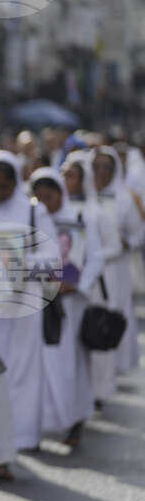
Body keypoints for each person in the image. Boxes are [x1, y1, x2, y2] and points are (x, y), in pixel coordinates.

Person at [0, 152, 57, 474]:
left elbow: (51, 257)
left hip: (25, 303)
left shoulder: (34, 210)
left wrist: (16, 261)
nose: (0, 192)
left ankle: (22, 436)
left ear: (16, 183)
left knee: (24, 370)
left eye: (6, 187)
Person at [31, 167, 105, 447]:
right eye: (39, 198)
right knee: (42, 362)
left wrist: (76, 286)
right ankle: (42, 422)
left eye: (49, 197)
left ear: (61, 193)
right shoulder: (34, 219)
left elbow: (95, 258)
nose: (45, 203)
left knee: (71, 362)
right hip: (41, 301)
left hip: (72, 304)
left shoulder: (80, 218)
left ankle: (75, 420)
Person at [63, 152, 123, 406]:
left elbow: (114, 246)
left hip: (89, 287)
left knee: (90, 339)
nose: (66, 180)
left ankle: (95, 391)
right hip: (64, 286)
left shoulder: (95, 212)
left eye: (71, 176)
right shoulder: (55, 209)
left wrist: (89, 258)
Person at [91, 146, 143, 375]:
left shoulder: (124, 199)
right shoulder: (86, 197)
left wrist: (126, 243)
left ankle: (112, 368)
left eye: (106, 168)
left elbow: (137, 233)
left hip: (115, 269)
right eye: (96, 167)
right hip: (90, 269)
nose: (101, 172)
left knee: (112, 312)